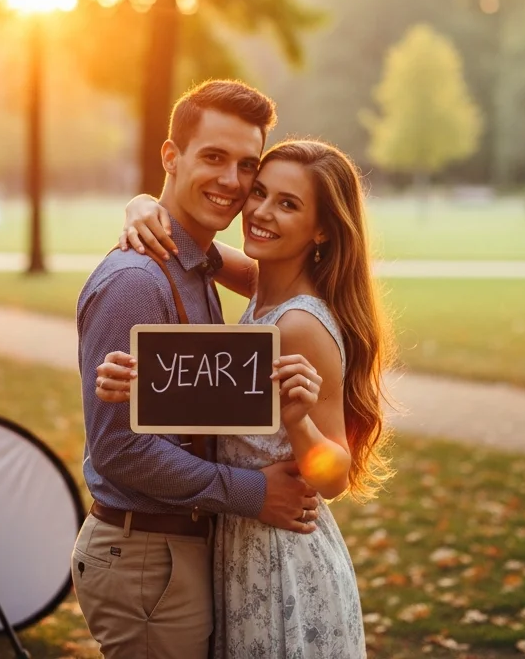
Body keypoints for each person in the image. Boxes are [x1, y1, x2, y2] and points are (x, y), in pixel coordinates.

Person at [96, 138, 395, 658]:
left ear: (321, 229)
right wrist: (144, 205)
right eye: (259, 192)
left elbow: (334, 477)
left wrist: (299, 421)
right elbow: (190, 247)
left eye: (288, 204)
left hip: (282, 560)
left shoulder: (300, 324)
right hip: (240, 545)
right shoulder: (263, 286)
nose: (260, 212)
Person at [74, 81, 324, 659]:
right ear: (171, 157)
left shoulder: (194, 263)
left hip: (179, 552)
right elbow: (122, 450)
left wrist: (146, 204)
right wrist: (253, 492)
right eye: (213, 157)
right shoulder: (137, 282)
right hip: (146, 559)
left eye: (246, 165)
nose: (233, 182)